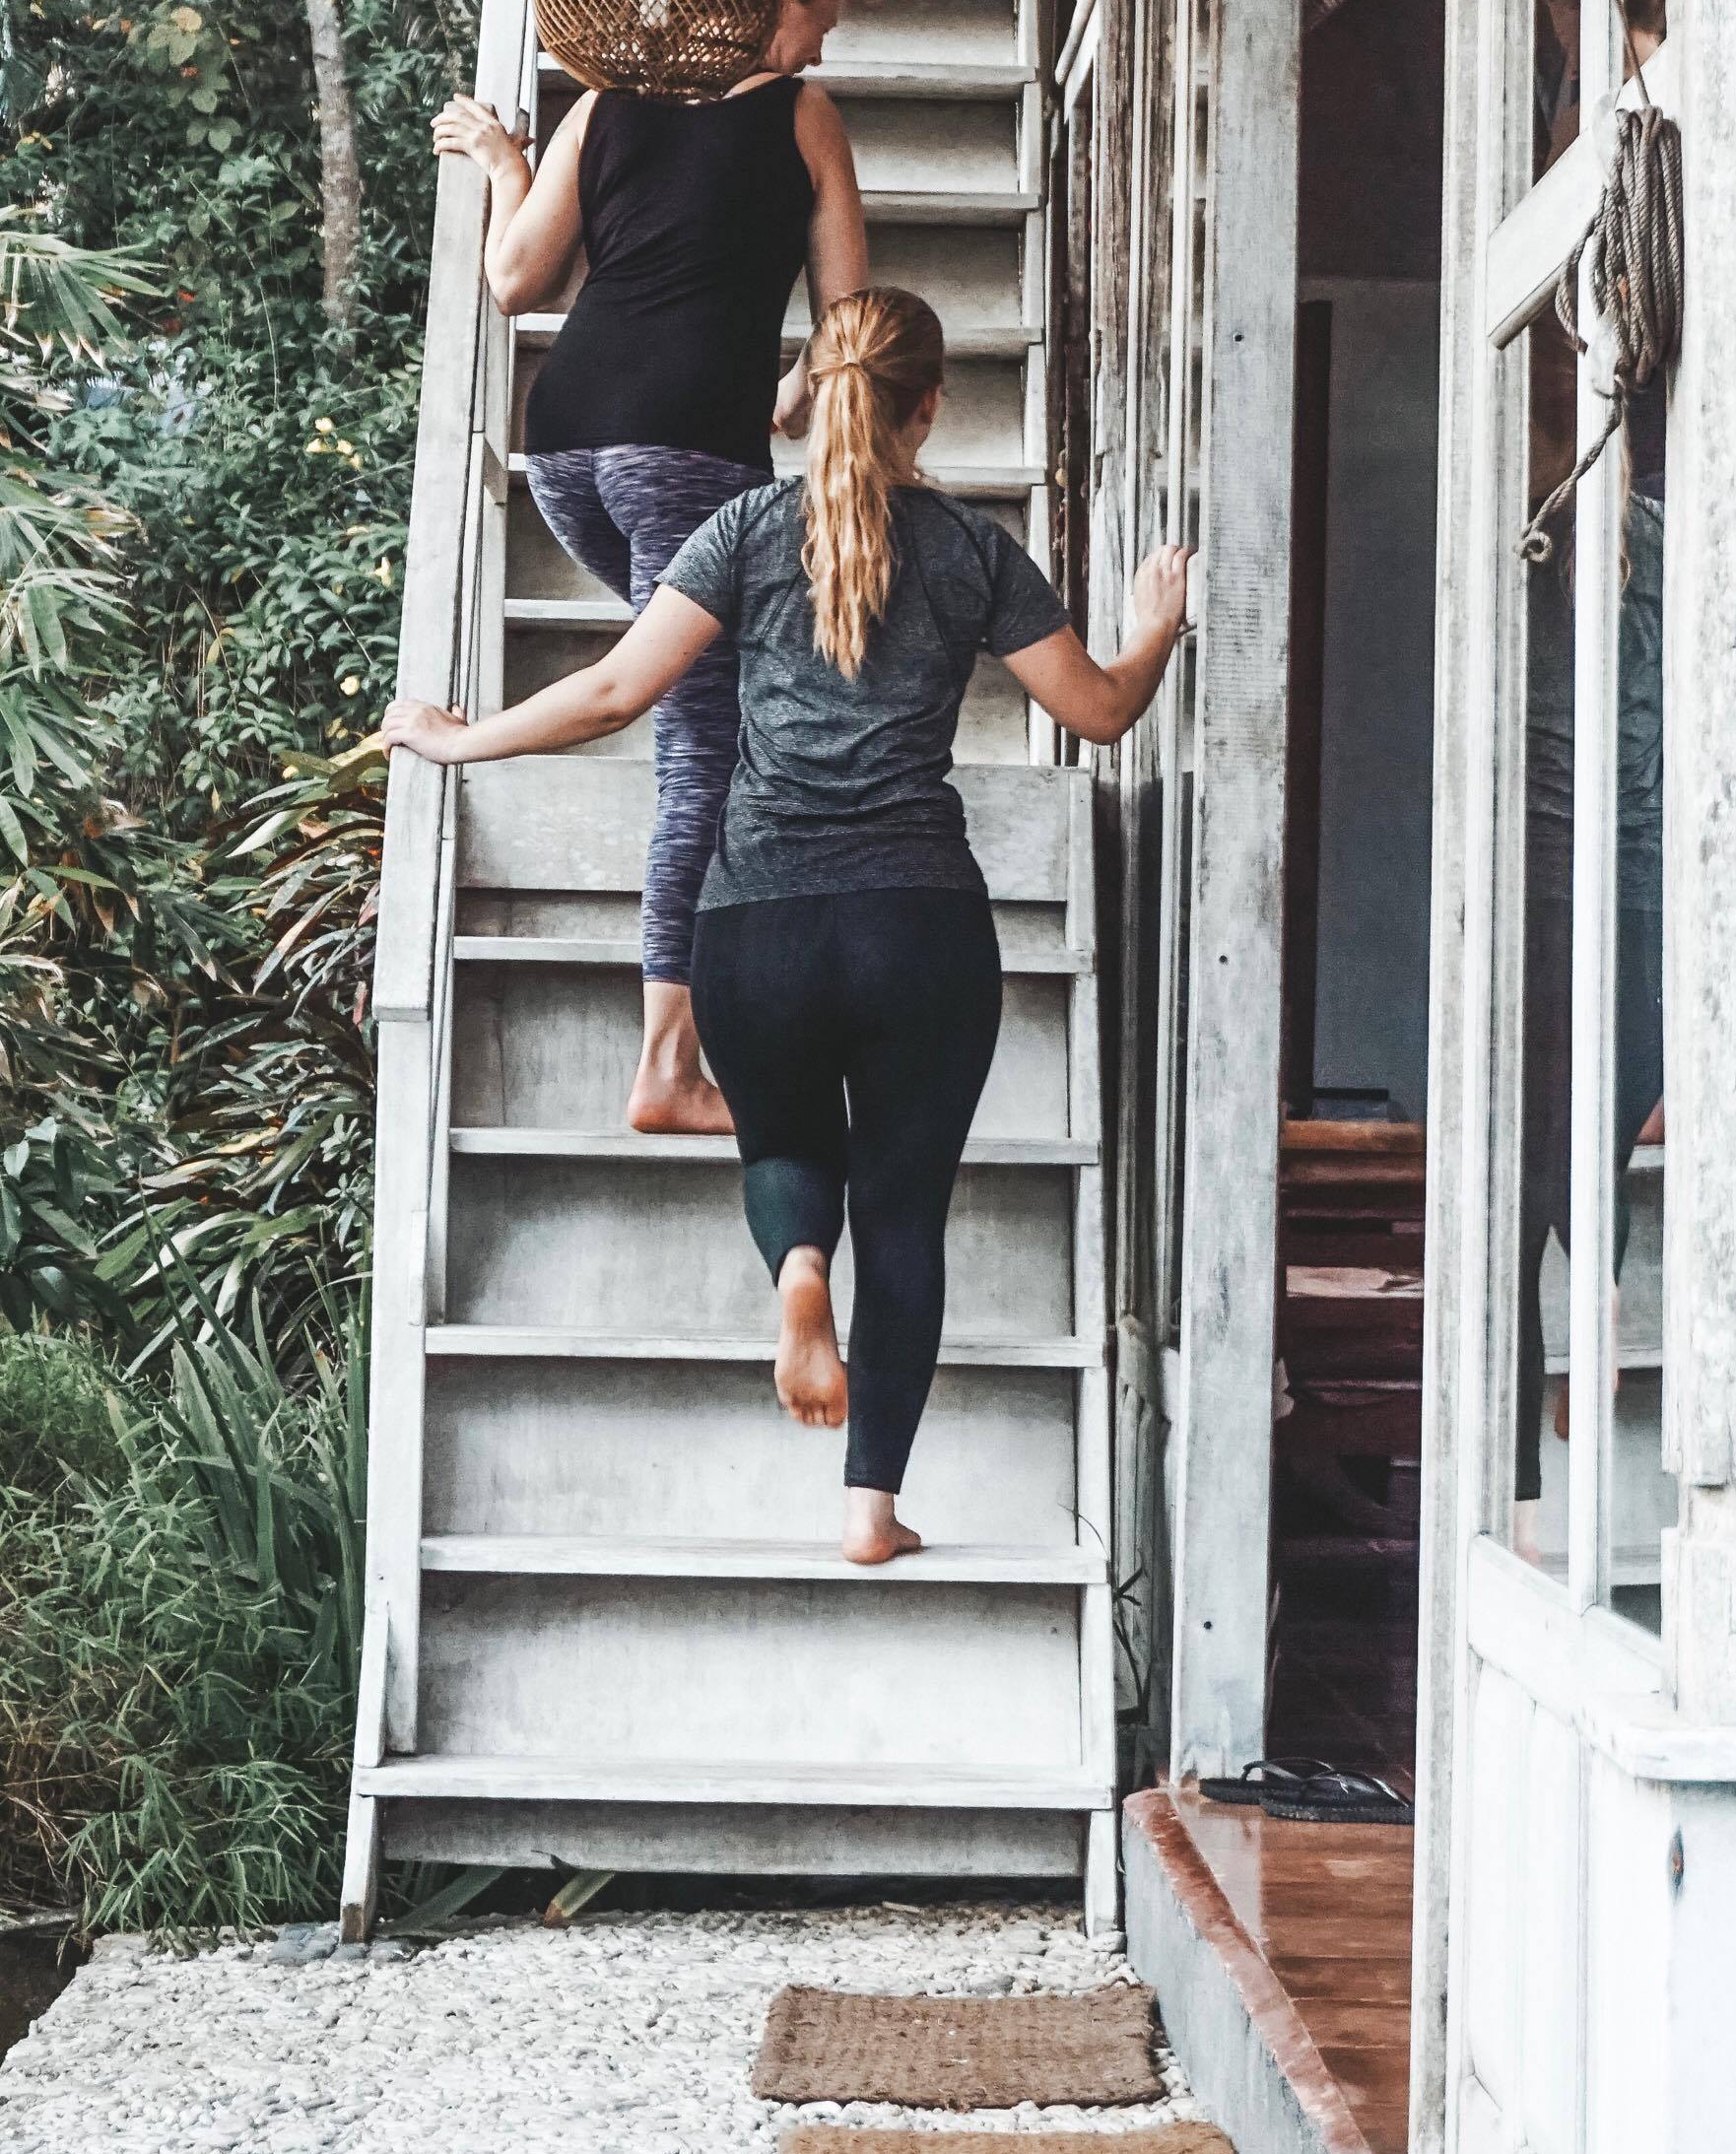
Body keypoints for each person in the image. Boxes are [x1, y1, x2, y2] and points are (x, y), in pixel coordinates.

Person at [386, 288, 1193, 1569]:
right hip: (917, 923)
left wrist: (456, 739)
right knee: (909, 1208)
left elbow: (608, 694)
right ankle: (870, 1511)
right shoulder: (970, 551)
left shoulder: (741, 532)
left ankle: (797, 1273)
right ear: (930, 408)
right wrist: (1152, 632)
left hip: (755, 924)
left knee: (786, 1137)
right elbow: (1095, 714)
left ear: (808, 396)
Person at [432, 0, 865, 1134]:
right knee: (700, 743)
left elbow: (519, 280)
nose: (814, 55)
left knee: (695, 700)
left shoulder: (607, 101)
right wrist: (789, 390)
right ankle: (669, 1068)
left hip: (565, 442)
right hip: (683, 449)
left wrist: (513, 164)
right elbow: (852, 323)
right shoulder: (799, 119)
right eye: (814, 25)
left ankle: (719, 1008)